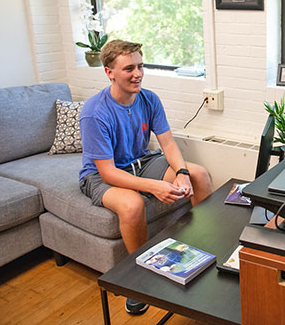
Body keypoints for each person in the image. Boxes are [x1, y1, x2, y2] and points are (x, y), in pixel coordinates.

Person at [79, 39, 212, 315]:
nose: (137, 73)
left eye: (140, 66)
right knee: (132, 205)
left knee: (199, 173)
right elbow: (108, 172)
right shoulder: (95, 112)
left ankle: (205, 249)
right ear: (109, 72)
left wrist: (183, 173)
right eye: (129, 68)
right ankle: (139, 281)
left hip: (141, 162)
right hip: (101, 174)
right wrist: (155, 186)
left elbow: (168, 144)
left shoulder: (149, 98)